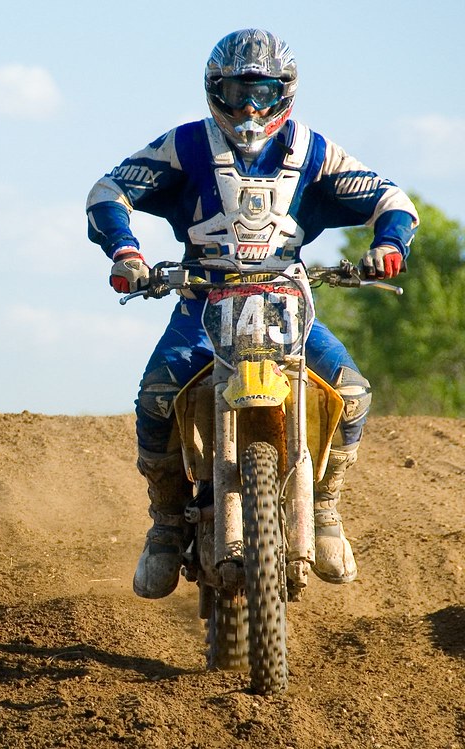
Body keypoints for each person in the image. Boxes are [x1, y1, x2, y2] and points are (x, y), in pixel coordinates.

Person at [85, 29, 418, 599]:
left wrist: (388, 245)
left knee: (352, 392)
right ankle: (165, 523)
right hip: (202, 300)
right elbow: (109, 190)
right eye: (236, 93)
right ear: (214, 90)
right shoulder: (186, 145)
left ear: (284, 92)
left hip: (288, 301)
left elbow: (392, 200)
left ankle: (325, 505)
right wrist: (127, 252)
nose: (248, 109)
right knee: (156, 397)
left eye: (262, 94)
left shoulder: (313, 150)